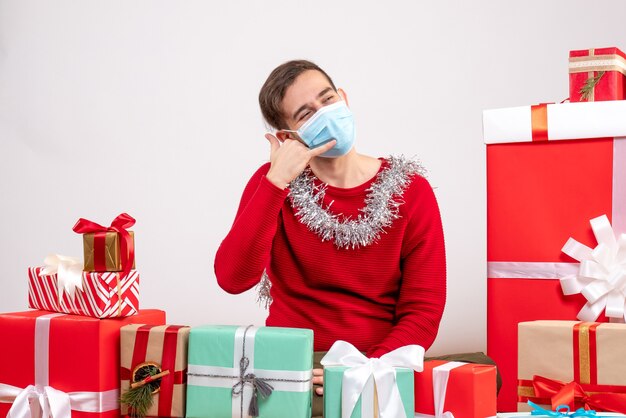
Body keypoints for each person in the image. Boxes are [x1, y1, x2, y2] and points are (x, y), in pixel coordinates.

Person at [214, 59, 448, 417]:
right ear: (288, 137)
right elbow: (233, 278)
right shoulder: (273, 183)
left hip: (379, 364)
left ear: (344, 98)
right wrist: (276, 182)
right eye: (306, 114)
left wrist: (361, 371)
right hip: (293, 368)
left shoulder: (411, 191)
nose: (325, 113)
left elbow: (424, 311)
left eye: (328, 99)